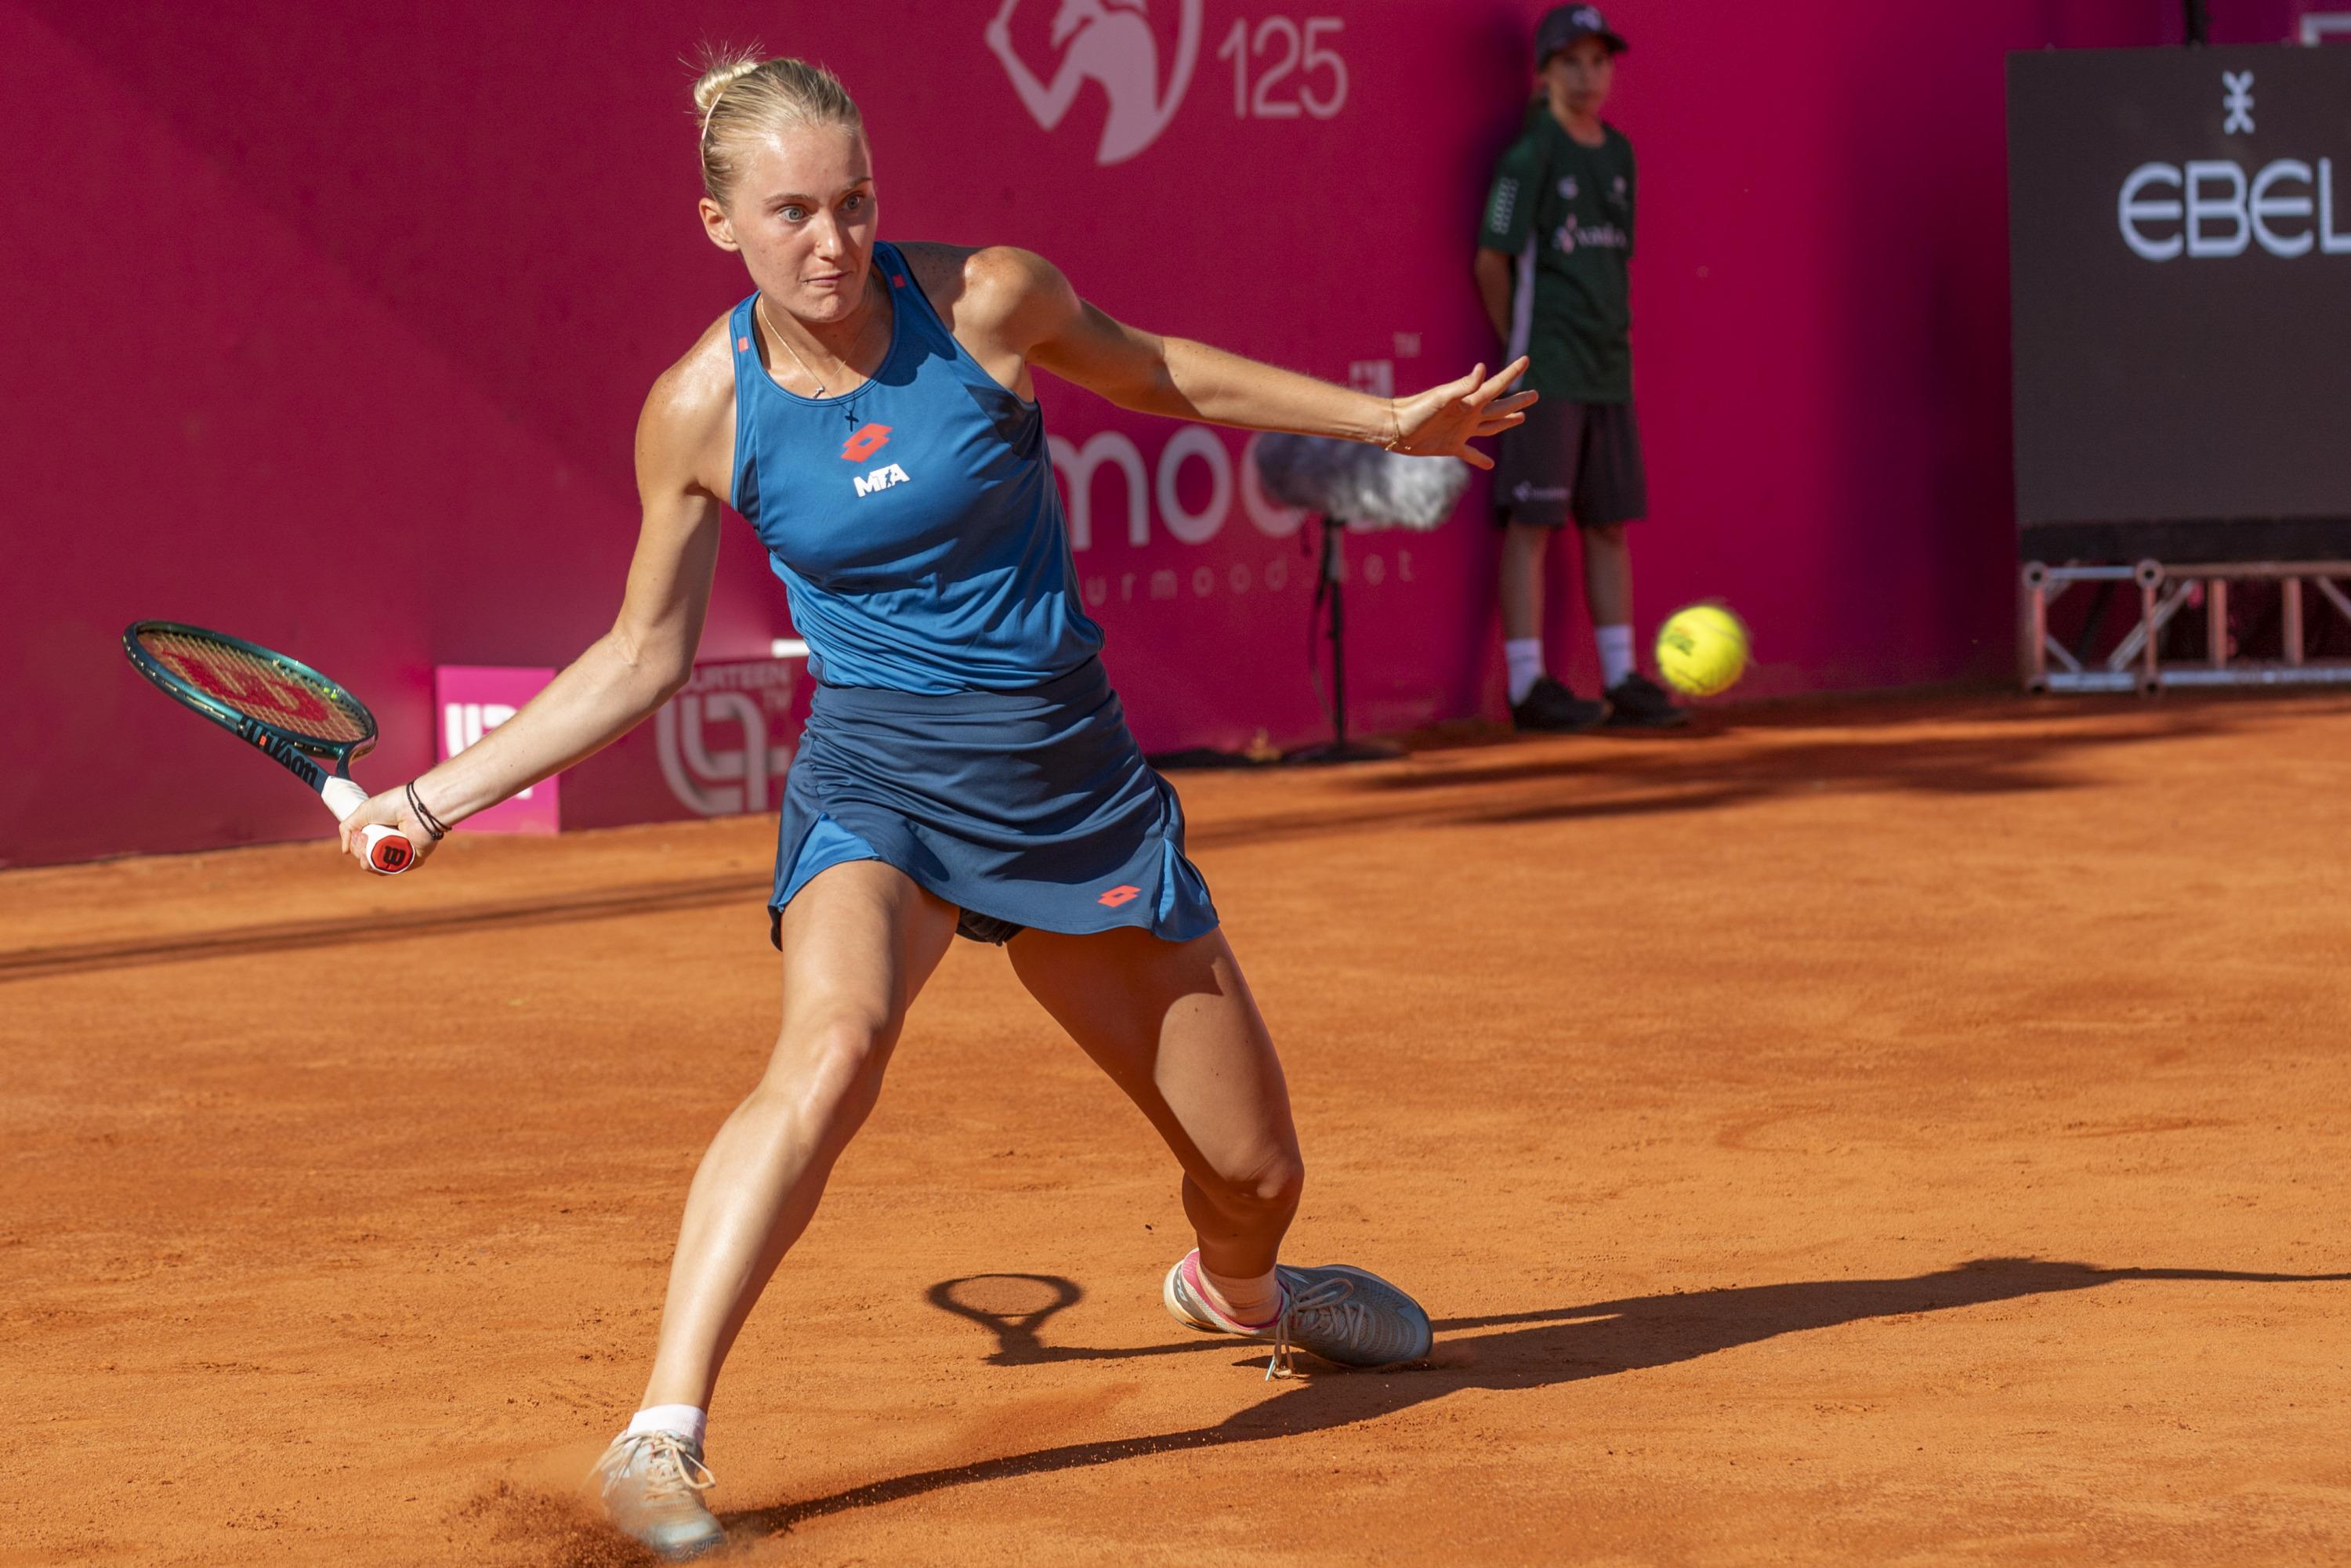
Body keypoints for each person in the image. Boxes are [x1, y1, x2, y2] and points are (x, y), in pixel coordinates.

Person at [339, 49, 1535, 1561]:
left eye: (853, 204)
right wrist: (433, 800)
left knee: (1256, 1175)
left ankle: (1244, 1291)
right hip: (880, 787)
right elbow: (640, 657)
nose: (831, 244)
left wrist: (1386, 423)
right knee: (830, 1050)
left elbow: (1158, 367)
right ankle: (662, 1431)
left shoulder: (987, 302)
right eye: (790, 214)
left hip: (1072, 791)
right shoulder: (701, 408)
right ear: (721, 225)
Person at [1473, 5, 1686, 732]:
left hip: (1607, 367)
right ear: (1545, 71)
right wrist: (1521, 350)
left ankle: (1622, 675)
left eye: (1599, 61)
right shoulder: (1528, 157)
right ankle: (1529, 685)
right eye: (1573, 62)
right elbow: (1490, 260)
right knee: (1531, 523)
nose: (1589, 76)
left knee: (1608, 523)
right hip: (1547, 369)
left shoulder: (1619, 154)